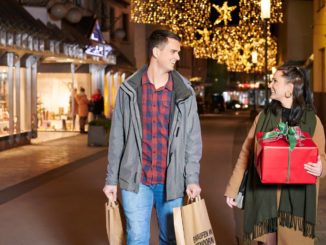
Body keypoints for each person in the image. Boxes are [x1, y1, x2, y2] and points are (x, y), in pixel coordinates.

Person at [103, 29, 202, 244]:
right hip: (136, 179)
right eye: (173, 52)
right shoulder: (129, 89)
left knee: (171, 238)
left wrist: (192, 178)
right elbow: (117, 137)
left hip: (172, 180)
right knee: (137, 237)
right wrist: (111, 179)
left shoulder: (184, 92)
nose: (177, 57)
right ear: (156, 52)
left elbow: (192, 140)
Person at [225, 66, 326, 245]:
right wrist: (233, 190)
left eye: (275, 81)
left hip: (296, 205)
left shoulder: (312, 121)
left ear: (290, 88)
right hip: (266, 199)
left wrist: (321, 168)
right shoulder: (263, 118)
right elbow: (246, 154)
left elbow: (322, 156)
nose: (270, 85)